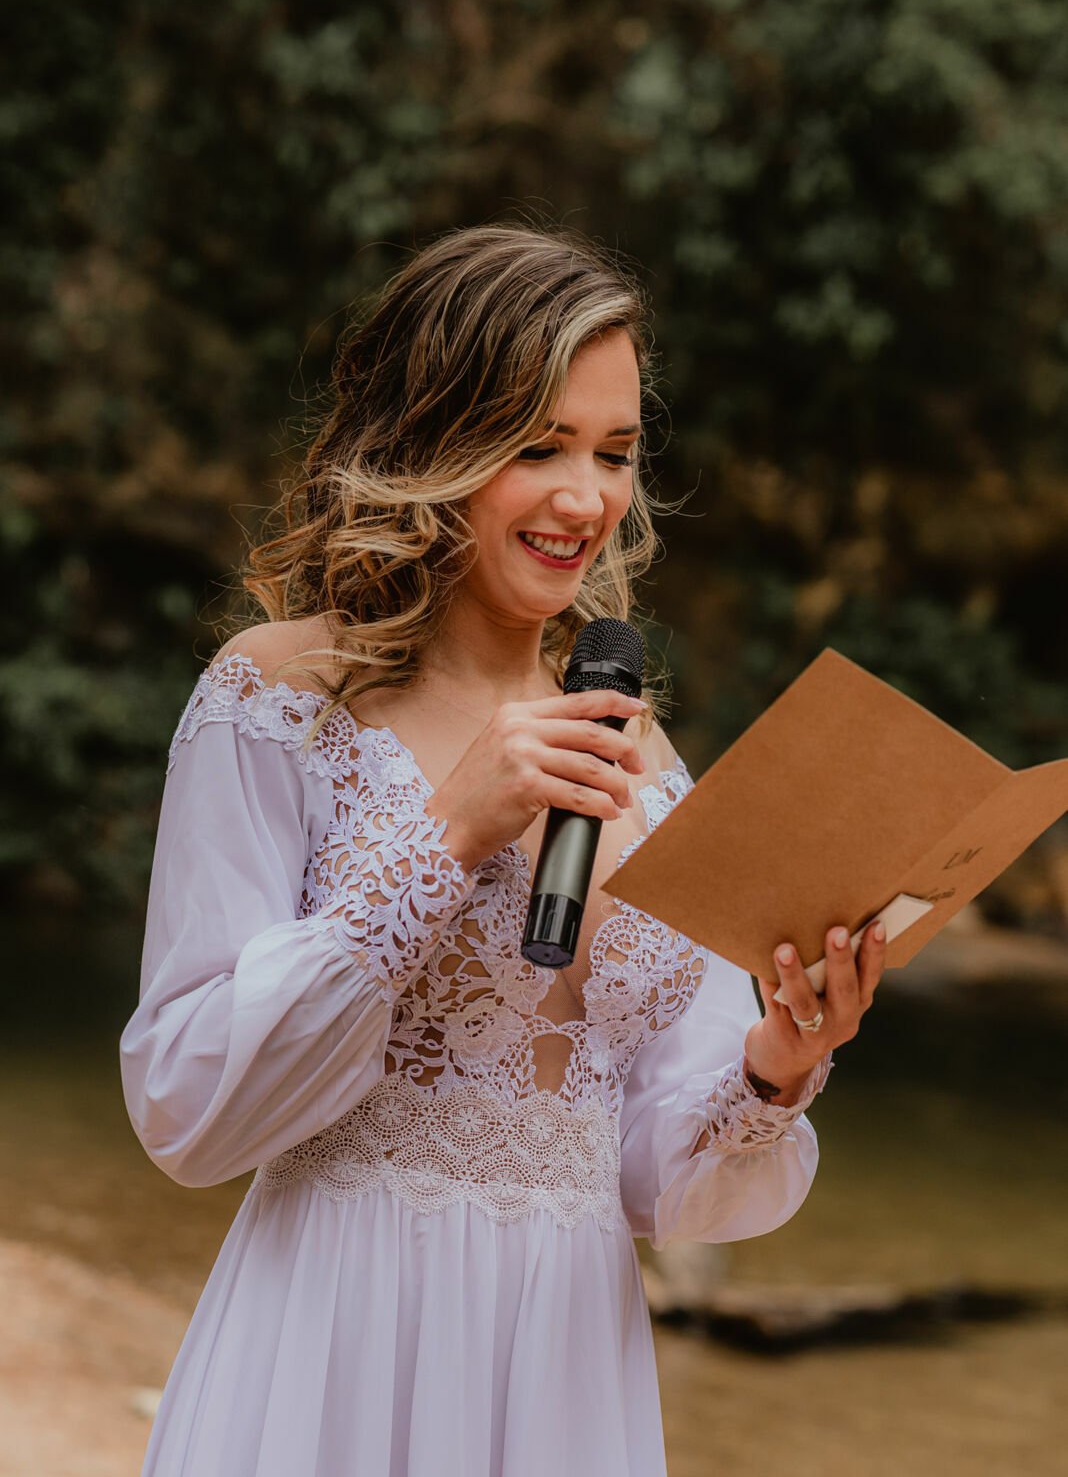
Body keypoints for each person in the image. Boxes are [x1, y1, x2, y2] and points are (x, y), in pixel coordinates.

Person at [120, 224, 886, 1477]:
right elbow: (185, 1105)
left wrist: (777, 1064)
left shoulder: (649, 764)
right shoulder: (277, 699)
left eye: (616, 452)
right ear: (433, 441)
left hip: (567, 1367)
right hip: (336, 1338)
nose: (588, 499)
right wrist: (446, 839)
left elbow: (659, 1182)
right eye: (538, 445)